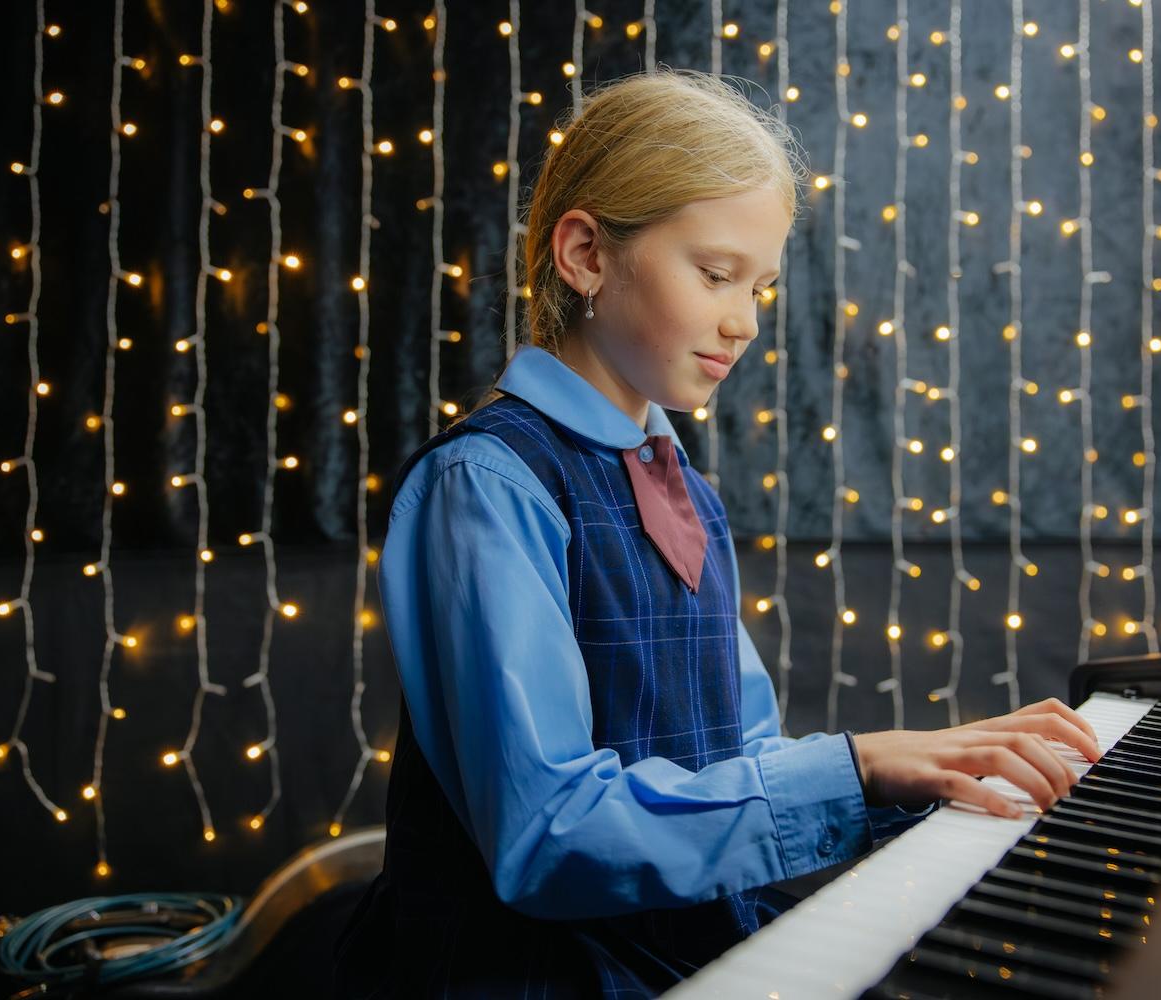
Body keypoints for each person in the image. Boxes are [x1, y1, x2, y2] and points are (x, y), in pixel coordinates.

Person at [332, 67, 1102, 998]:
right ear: (585, 254)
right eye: (714, 273)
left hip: (682, 948)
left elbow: (736, 763)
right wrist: (858, 769)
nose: (743, 322)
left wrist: (921, 787)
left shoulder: (681, 483)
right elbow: (548, 834)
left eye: (764, 286)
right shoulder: (488, 483)